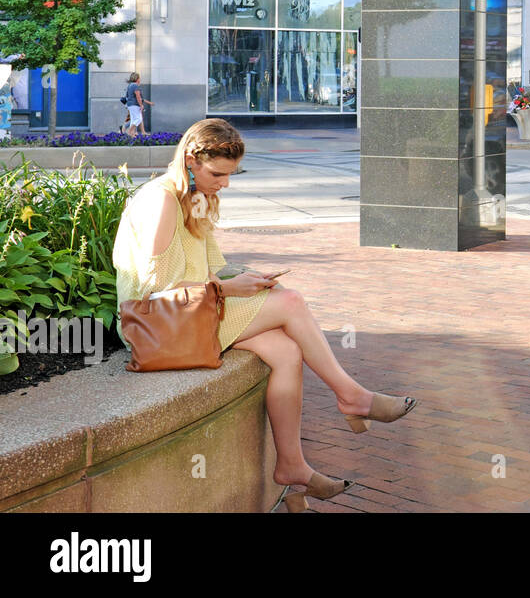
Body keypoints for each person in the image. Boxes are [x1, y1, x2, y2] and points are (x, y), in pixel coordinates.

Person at [112, 119, 416, 512]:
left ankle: (292, 468)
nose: (225, 184)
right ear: (190, 159)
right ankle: (351, 396)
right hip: (156, 328)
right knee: (290, 303)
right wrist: (227, 290)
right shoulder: (163, 200)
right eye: (218, 174)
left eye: (230, 175)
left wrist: (242, 281)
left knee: (287, 352)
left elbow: (205, 275)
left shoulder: (195, 198)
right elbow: (157, 295)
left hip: (191, 316)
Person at [124, 72, 155, 138]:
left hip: (130, 105)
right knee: (138, 119)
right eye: (139, 78)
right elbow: (138, 96)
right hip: (135, 105)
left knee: (133, 119)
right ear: (137, 78)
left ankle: (132, 134)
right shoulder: (135, 85)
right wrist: (141, 105)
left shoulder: (130, 85)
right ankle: (130, 131)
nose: (140, 79)